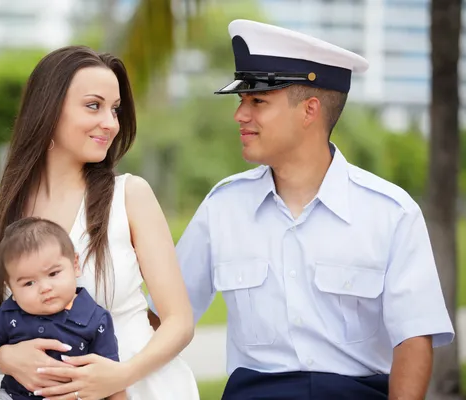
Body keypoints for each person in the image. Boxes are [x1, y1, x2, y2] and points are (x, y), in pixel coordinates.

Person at [148, 19, 455, 400]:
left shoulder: (391, 214)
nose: (240, 115)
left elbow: (413, 340)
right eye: (241, 101)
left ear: (310, 110)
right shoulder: (222, 208)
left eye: (257, 101)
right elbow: (160, 317)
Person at [0, 45, 200, 400]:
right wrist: (6, 356)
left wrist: (120, 375)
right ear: (48, 109)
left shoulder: (130, 195)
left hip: (142, 387)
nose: (110, 123)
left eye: (115, 109)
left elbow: (179, 322)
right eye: (94, 105)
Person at [0, 217, 126, 400]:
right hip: (15, 396)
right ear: (11, 287)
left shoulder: (95, 318)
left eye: (53, 273)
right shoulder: (8, 313)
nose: (45, 288)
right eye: (29, 283)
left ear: (75, 265)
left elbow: (110, 374)